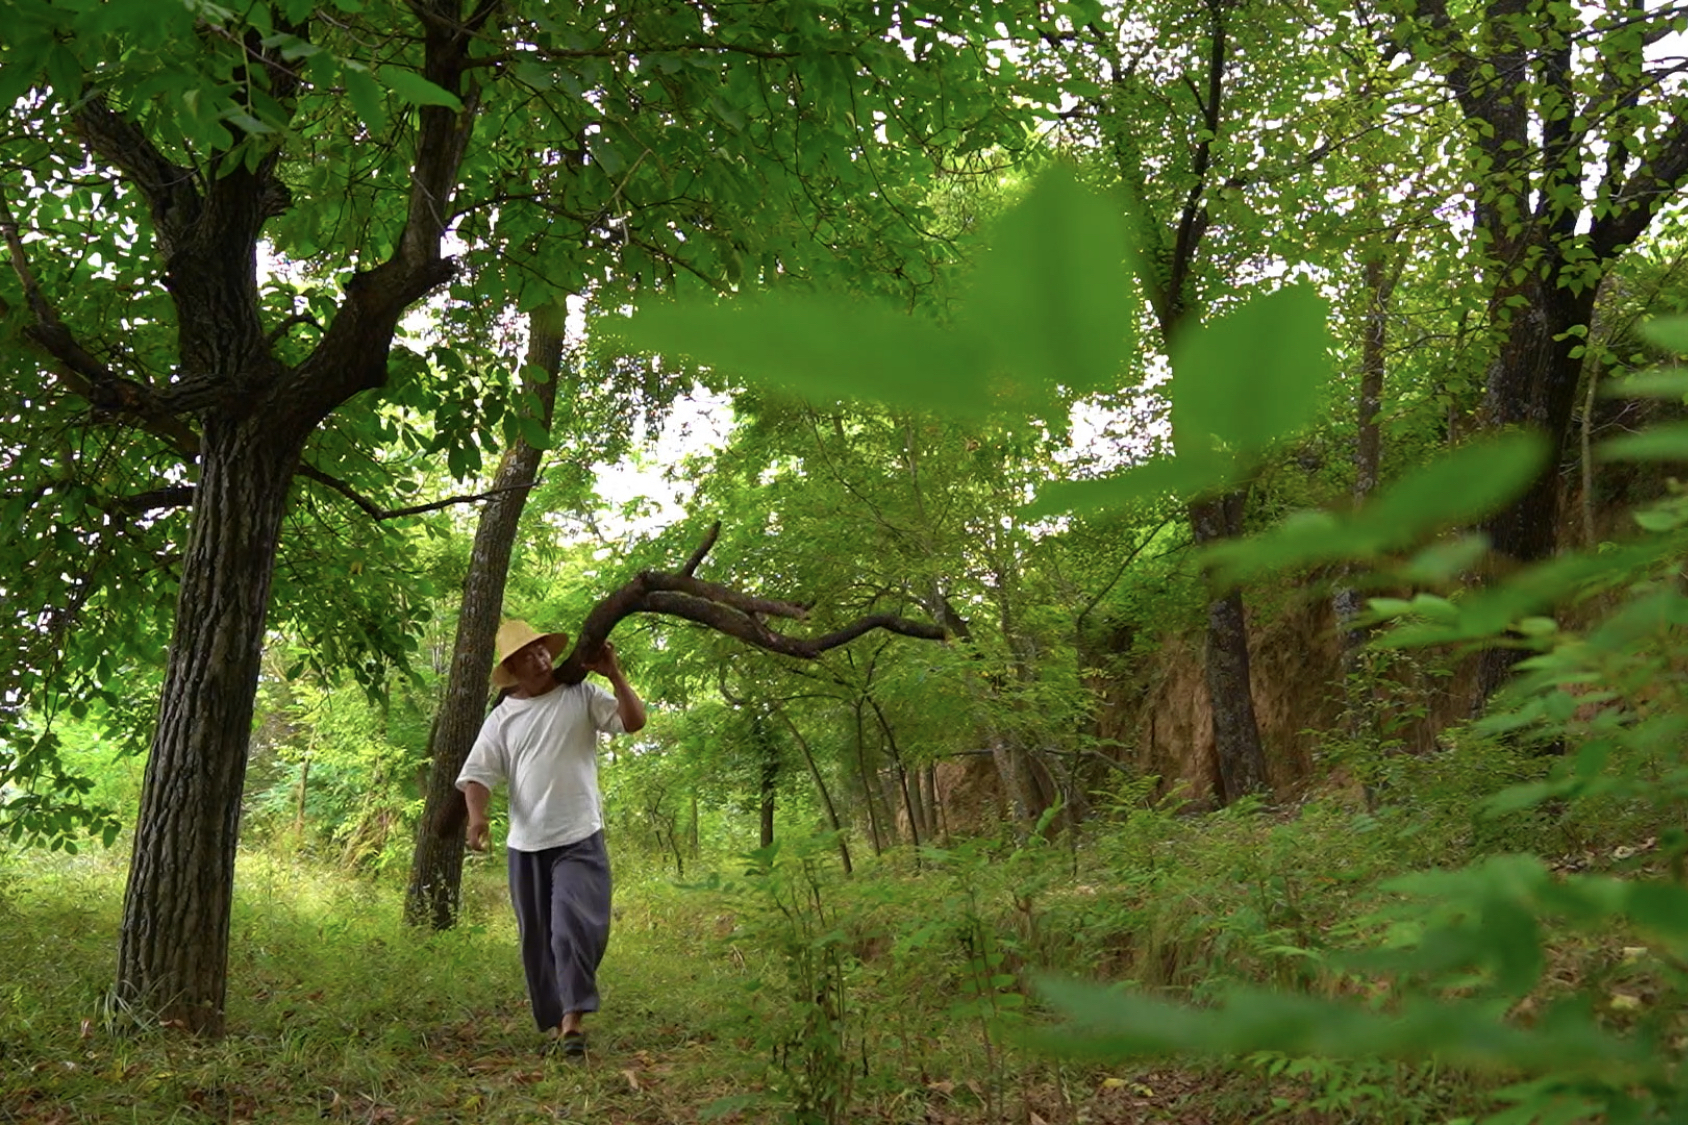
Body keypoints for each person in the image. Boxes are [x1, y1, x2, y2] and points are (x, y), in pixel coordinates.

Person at [457, 619, 647, 1060]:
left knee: (572, 929)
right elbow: (478, 776)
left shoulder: (579, 695)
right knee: (538, 939)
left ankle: (573, 1023)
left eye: (541, 650)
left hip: (579, 835)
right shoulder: (503, 718)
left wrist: (614, 674)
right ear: (512, 669)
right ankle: (558, 1018)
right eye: (527, 656)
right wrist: (477, 818)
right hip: (526, 844)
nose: (539, 659)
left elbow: (633, 722)